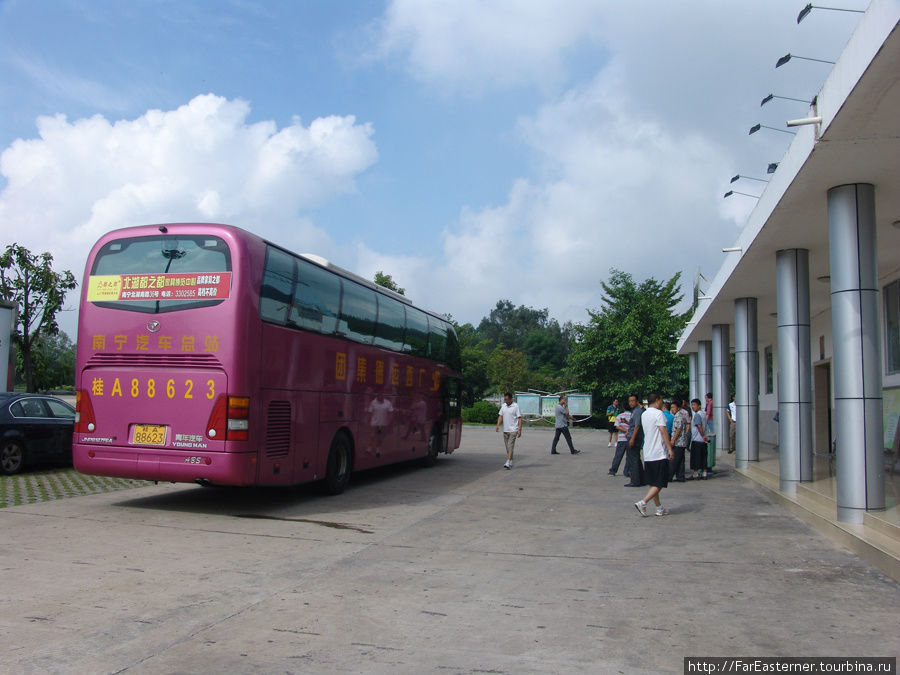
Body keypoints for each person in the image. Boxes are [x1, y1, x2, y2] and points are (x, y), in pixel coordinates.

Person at [633, 393, 675, 517]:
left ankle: (659, 508)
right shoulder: (658, 414)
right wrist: (670, 449)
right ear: (657, 400)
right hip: (659, 452)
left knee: (653, 482)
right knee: (660, 482)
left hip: (648, 452)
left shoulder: (644, 414)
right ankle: (643, 502)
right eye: (661, 400)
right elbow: (663, 432)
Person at [495, 392, 522, 469]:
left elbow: (519, 418)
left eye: (507, 399)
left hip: (513, 430)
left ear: (511, 399)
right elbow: (500, 416)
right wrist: (498, 425)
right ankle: (511, 461)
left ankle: (508, 461)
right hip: (505, 430)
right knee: (508, 447)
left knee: (510, 446)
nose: (506, 401)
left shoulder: (516, 406)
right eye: (505, 399)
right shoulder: (503, 406)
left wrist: (519, 430)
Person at [624, 394, 645, 487]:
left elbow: (637, 426)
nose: (631, 403)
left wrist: (632, 438)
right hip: (634, 436)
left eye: (633, 401)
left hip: (634, 438)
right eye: (630, 401)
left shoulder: (637, 411)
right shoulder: (635, 411)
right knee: (636, 458)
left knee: (633, 459)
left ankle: (635, 480)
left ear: (637, 401)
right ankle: (642, 479)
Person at [607, 404, 632, 476]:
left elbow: (617, 426)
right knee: (629, 456)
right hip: (630, 438)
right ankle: (627, 471)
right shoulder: (632, 416)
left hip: (621, 438)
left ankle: (613, 471)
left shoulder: (620, 416)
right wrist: (628, 431)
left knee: (618, 455)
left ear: (623, 408)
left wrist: (624, 431)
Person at [668, 400, 689, 482]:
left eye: (673, 407)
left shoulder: (678, 416)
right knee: (680, 460)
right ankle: (680, 476)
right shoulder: (678, 416)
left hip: (678, 442)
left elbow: (678, 429)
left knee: (674, 460)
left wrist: (673, 440)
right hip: (681, 442)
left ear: (678, 408)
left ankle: (669, 476)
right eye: (671, 407)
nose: (672, 409)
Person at [689, 398, 710, 479]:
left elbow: (699, 426)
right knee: (703, 457)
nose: (692, 407)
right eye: (692, 405)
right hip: (703, 440)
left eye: (694, 405)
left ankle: (696, 474)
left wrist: (703, 435)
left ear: (699, 406)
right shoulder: (703, 414)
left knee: (696, 458)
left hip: (697, 439)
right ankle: (704, 473)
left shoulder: (697, 415)